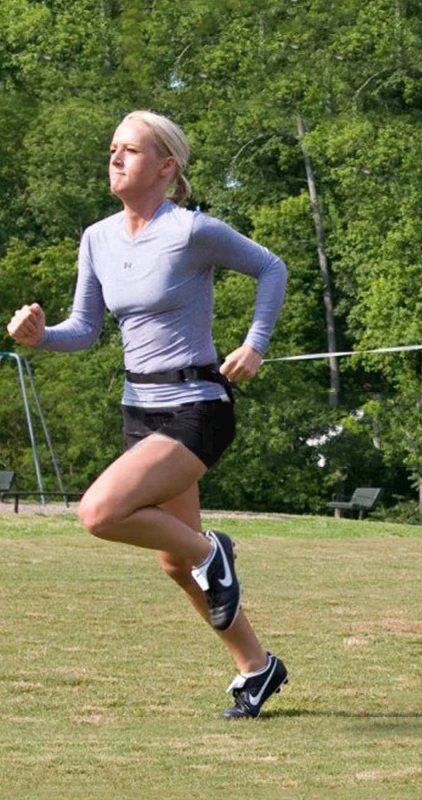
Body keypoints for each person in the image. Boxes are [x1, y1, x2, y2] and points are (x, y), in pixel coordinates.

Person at [6, 110, 288, 719]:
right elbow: (83, 331)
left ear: (166, 168)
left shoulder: (192, 231)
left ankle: (216, 551)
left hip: (197, 407)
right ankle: (257, 668)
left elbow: (272, 267)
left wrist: (256, 343)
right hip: (140, 411)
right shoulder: (97, 238)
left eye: (130, 150)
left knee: (99, 512)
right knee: (173, 561)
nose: (115, 158)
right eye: (112, 149)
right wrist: (38, 336)